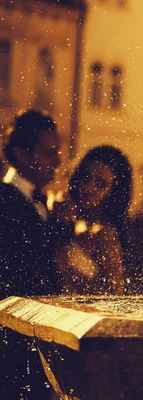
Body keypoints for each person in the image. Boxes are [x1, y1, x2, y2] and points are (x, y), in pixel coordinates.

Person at [0, 109, 63, 399]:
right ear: (22, 154)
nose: (58, 162)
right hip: (12, 343)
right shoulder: (6, 203)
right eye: (50, 153)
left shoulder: (38, 201)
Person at [54, 145, 132, 295]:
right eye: (86, 177)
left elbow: (113, 293)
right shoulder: (64, 215)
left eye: (100, 184)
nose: (89, 188)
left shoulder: (105, 234)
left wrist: (69, 271)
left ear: (114, 193)